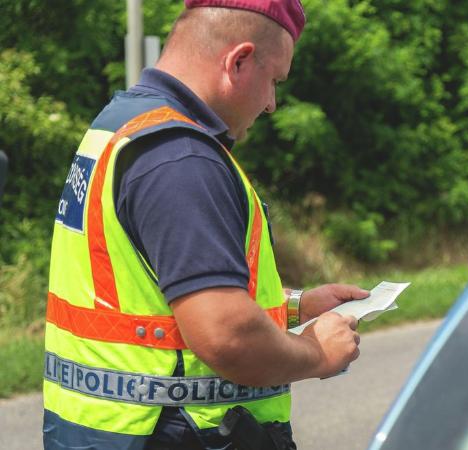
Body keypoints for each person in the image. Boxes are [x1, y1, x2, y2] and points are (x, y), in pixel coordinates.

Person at [43, 1, 365, 448]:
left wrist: (294, 307)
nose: (271, 104)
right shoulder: (182, 158)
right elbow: (226, 335)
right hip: (180, 434)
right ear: (239, 61)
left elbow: (150, 296)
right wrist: (315, 352)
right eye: (273, 81)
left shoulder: (123, 124)